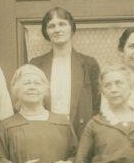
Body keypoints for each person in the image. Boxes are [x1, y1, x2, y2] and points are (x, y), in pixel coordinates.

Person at [29, 6, 101, 138]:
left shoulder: (88, 64)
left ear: (72, 28)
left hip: (81, 134)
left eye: (62, 24)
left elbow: (97, 104)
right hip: (45, 133)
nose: (57, 30)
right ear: (46, 32)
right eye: (51, 26)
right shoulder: (36, 64)